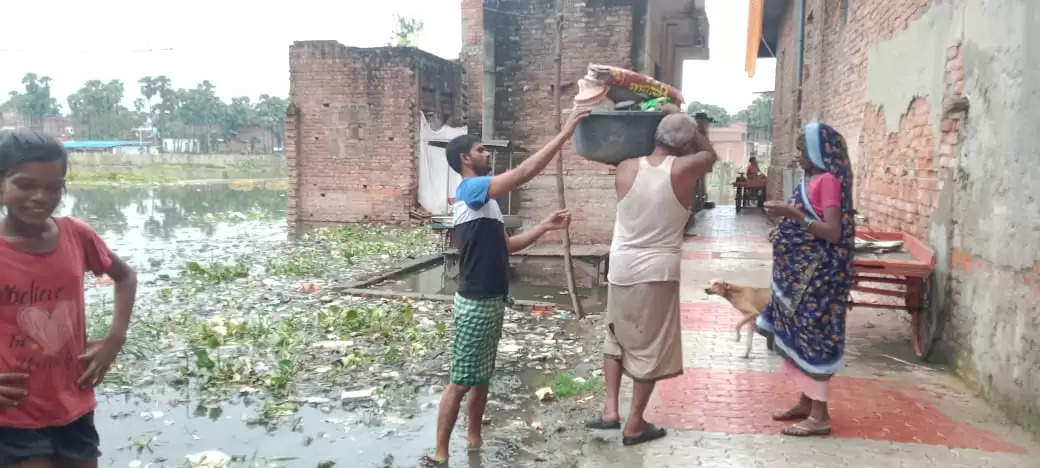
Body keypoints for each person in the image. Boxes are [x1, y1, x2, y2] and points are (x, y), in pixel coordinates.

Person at [427, 109, 590, 465]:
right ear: (466, 159)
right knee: (461, 379)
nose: (487, 154)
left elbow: (507, 247)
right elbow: (522, 174)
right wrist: (563, 136)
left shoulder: (486, 203)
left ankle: (474, 439)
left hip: (491, 298)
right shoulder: (471, 188)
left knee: (481, 375)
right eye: (481, 149)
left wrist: (545, 227)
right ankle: (440, 454)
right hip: (475, 300)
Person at [0, 131, 138, 467]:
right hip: (13, 412)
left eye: (53, 187)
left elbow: (125, 276)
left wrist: (114, 339)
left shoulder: (77, 235)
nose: (40, 197)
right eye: (25, 184)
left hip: (73, 399)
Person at [586, 113, 717, 446]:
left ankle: (610, 411)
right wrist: (697, 131)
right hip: (657, 272)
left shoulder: (625, 167)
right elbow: (710, 155)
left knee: (615, 338)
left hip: (621, 268)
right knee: (651, 347)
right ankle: (633, 425)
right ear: (686, 144)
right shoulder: (684, 168)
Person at [759, 122, 855, 437]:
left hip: (819, 278)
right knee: (801, 336)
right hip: (803, 278)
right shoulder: (810, 179)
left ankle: (820, 416)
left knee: (815, 339)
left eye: (801, 150)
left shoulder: (828, 182)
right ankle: (805, 401)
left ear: (816, 152)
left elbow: (832, 231)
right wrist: (784, 228)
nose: (797, 156)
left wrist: (792, 215)